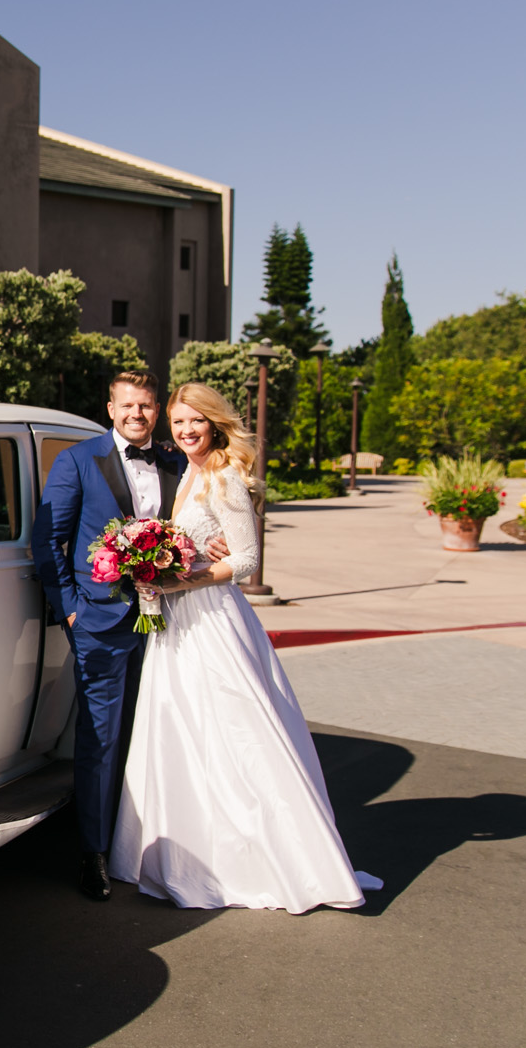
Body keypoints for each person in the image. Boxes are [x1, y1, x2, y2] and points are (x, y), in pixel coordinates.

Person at [109, 381, 380, 913]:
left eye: (197, 421)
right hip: (177, 623)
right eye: (179, 421)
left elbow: (248, 560)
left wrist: (176, 582)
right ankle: (188, 854)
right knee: (181, 733)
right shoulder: (187, 470)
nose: (186, 430)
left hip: (211, 622)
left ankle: (269, 861)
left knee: (235, 733)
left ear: (215, 424)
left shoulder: (226, 476)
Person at [33, 370, 218, 902]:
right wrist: (70, 610)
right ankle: (94, 851)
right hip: (101, 622)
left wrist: (217, 548)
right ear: (110, 408)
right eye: (128, 406)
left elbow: (198, 524)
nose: (138, 414)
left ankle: (148, 845)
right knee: (103, 738)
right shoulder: (77, 460)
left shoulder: (175, 461)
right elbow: (52, 541)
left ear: (156, 411)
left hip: (170, 620)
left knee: (159, 731)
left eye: (147, 406)